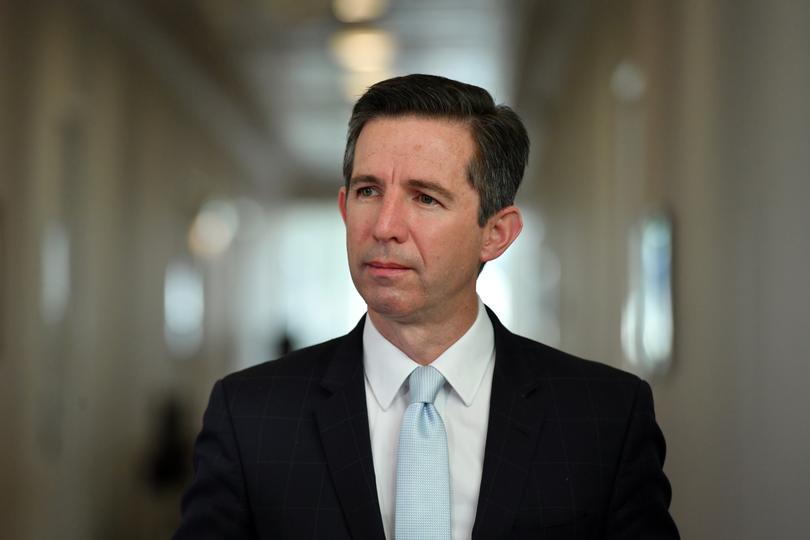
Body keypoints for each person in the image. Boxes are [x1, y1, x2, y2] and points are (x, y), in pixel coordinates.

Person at [174, 74, 679, 539]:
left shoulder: (603, 419)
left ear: (496, 234)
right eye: (369, 191)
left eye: (426, 198)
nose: (385, 226)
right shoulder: (251, 416)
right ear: (345, 208)